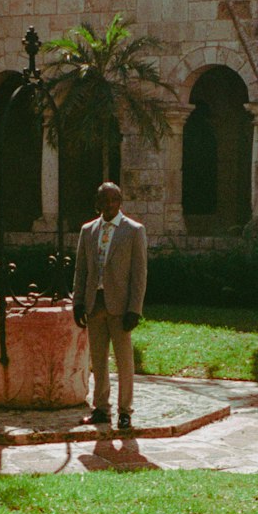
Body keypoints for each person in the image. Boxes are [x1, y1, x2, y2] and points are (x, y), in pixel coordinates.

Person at [72, 181, 147, 431]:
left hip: (121, 306)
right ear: (98, 203)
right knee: (99, 360)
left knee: (125, 362)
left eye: (114, 200)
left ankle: (125, 411)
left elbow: (139, 274)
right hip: (95, 305)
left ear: (120, 202)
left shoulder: (134, 230)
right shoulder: (88, 230)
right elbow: (81, 270)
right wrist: (78, 302)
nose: (110, 204)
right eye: (105, 200)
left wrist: (134, 309)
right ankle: (101, 410)